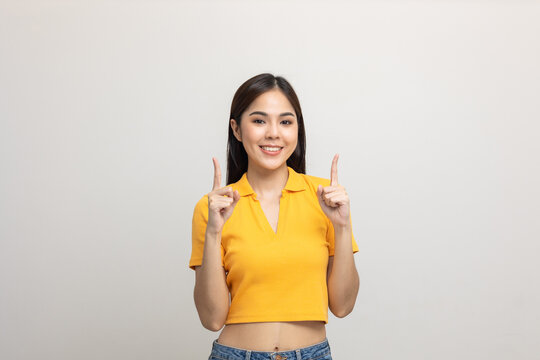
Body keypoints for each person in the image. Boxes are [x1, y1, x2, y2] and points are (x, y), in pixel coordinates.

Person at [189, 73, 360, 360]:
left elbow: (342, 306)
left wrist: (341, 227)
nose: (273, 133)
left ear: (297, 129)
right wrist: (213, 233)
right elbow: (211, 319)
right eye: (259, 120)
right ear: (237, 129)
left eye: (285, 121)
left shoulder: (326, 199)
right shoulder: (213, 208)